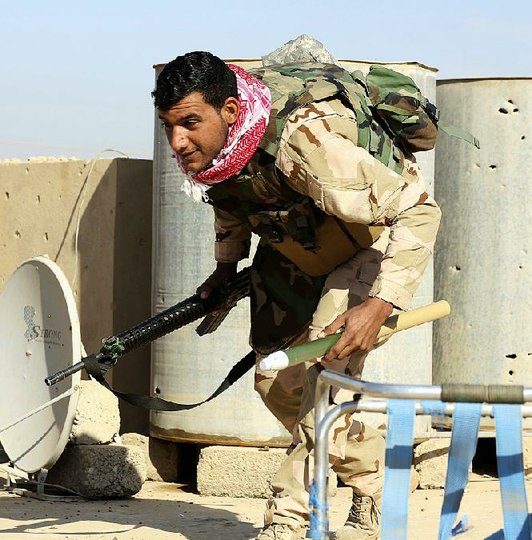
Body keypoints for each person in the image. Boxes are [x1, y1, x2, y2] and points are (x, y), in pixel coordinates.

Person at [152, 51, 440, 540]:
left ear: (229, 110)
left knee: (323, 382)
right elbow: (233, 196)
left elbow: (418, 210)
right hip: (304, 238)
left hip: (371, 238)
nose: (178, 142)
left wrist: (380, 303)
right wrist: (226, 267)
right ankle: (372, 478)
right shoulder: (219, 151)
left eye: (190, 124)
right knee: (274, 380)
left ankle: (290, 520)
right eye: (168, 126)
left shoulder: (307, 144)